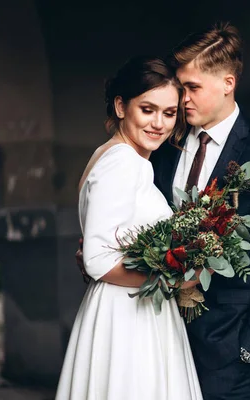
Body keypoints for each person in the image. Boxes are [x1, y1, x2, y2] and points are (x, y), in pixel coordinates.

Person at [153, 22, 250, 399]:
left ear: (227, 83)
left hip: (228, 354)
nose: (183, 98)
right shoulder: (164, 148)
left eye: (192, 88)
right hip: (159, 340)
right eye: (180, 87)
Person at [57, 56, 203, 400]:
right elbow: (97, 259)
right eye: (147, 109)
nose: (159, 123)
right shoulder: (124, 162)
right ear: (121, 106)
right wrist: (175, 278)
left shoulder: (110, 155)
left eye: (169, 113)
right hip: (128, 316)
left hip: (124, 307)